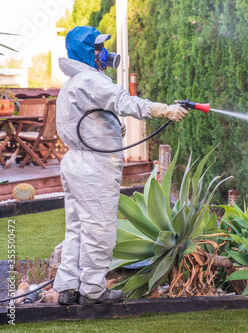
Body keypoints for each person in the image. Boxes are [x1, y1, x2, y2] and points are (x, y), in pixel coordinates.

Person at [53, 26, 188, 305]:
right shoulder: (91, 80)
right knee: (100, 227)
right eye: (99, 48)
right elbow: (124, 101)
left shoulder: (72, 84)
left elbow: (86, 122)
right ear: (89, 52)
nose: (105, 53)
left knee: (78, 227)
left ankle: (68, 287)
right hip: (94, 166)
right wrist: (165, 109)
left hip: (75, 161)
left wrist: (111, 128)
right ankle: (92, 291)